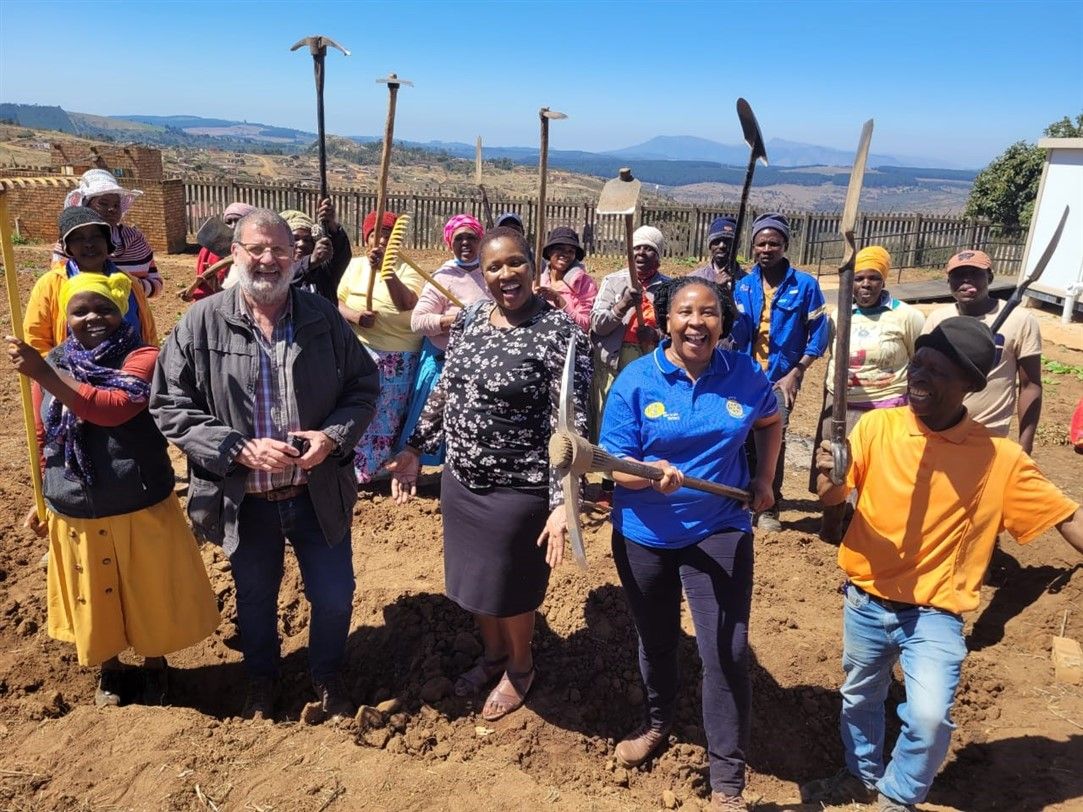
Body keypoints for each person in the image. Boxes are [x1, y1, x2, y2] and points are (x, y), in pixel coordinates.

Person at [801, 317, 1083, 812]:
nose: (919, 377)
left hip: (935, 613)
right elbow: (832, 498)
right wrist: (831, 475)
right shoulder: (878, 426)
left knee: (928, 717)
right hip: (865, 599)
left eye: (936, 370)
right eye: (918, 363)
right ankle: (859, 776)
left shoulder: (999, 458)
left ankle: (899, 796)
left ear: (971, 385)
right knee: (860, 697)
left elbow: (1065, 517)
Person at [150, 209, 380, 721]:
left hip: (315, 493)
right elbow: (168, 403)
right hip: (244, 499)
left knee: (336, 595)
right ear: (236, 254)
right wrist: (235, 447)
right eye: (257, 249)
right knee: (254, 600)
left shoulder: (323, 318)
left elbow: (364, 388)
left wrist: (332, 437)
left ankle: (326, 674)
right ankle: (260, 681)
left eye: (280, 249)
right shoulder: (201, 321)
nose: (269, 259)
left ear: (296, 257)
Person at [386, 226, 592, 722]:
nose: (505, 275)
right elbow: (447, 390)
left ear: (532, 266)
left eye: (515, 263)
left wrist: (565, 499)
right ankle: (494, 654)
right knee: (476, 583)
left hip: (517, 488)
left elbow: (572, 425)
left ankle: (520, 666)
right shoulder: (474, 317)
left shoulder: (561, 334)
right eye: (493, 267)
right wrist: (416, 446)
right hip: (463, 481)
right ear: (482, 273)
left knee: (512, 588)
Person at [598, 275, 783, 811]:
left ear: (723, 323)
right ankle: (658, 723)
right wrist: (647, 470)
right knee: (656, 638)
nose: (696, 323)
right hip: (644, 535)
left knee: (724, 649)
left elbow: (771, 420)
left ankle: (727, 782)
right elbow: (613, 466)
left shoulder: (744, 373)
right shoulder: (637, 380)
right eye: (685, 312)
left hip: (718, 526)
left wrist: (765, 479)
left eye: (708, 313)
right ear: (665, 319)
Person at [7, 271, 219, 707]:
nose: (92, 317)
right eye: (79, 310)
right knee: (96, 593)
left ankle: (155, 664)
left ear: (121, 310)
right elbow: (42, 435)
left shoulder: (142, 358)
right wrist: (40, 494)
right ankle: (111, 667)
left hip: (135, 498)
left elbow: (110, 409)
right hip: (76, 503)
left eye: (103, 307)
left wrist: (42, 372)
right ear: (66, 317)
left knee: (147, 589)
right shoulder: (52, 363)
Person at [812, 246, 925, 541]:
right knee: (835, 467)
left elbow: (918, 362)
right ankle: (831, 528)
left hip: (887, 409)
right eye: (859, 278)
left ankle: (868, 533)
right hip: (842, 408)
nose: (865, 285)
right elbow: (832, 356)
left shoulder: (906, 317)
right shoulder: (839, 315)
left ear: (883, 279)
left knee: (877, 474)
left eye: (873, 278)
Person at [730, 213, 829, 531]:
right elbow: (739, 335)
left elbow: (819, 332)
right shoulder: (743, 286)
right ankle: (746, 501)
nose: (767, 249)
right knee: (743, 438)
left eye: (774, 243)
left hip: (780, 379)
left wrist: (797, 372)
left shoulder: (805, 286)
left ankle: (770, 507)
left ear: (785, 245)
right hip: (746, 377)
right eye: (761, 243)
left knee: (774, 440)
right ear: (753, 247)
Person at [922, 249, 1042, 454]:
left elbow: (1030, 385)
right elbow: (924, 374)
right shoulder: (938, 319)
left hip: (989, 435)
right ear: (948, 282)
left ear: (990, 277)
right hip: (939, 430)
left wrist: (1025, 444)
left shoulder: (1020, 320)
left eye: (975, 273)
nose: (966, 280)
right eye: (958, 275)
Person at [337, 211, 426, 483]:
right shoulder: (354, 266)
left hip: (398, 354)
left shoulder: (407, 268)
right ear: (367, 238)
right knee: (361, 409)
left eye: (388, 234)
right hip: (360, 349)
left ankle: (382, 472)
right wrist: (354, 316)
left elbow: (407, 303)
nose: (382, 240)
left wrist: (386, 272)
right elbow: (337, 301)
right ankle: (357, 471)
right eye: (376, 234)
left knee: (388, 414)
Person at [401, 214, 490, 464]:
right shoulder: (442, 277)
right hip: (444, 364)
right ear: (449, 242)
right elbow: (417, 322)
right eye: (459, 238)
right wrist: (454, 321)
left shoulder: (490, 274)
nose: (465, 243)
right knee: (436, 423)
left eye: (470, 238)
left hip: (483, 365)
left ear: (480, 241)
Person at [26, 208, 157, 355]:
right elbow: (36, 340)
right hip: (69, 375)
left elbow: (148, 333)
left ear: (107, 242)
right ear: (67, 246)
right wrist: (54, 375)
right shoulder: (51, 284)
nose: (89, 244)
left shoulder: (128, 282)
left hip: (129, 372)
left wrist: (149, 368)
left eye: (96, 236)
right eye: (78, 238)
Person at [590, 225, 670, 433]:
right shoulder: (613, 281)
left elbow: (674, 330)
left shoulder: (668, 288)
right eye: (637, 247)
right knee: (608, 413)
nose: (641, 253)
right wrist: (622, 306)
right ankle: (604, 461)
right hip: (613, 363)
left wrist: (655, 336)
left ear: (658, 255)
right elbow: (597, 325)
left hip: (648, 361)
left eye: (648, 248)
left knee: (643, 413)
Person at [56, 169, 163, 298]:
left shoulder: (135, 239)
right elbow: (59, 282)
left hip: (130, 316)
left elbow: (156, 284)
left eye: (116, 205)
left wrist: (130, 286)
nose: (112, 209)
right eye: (103, 203)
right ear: (85, 205)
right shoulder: (70, 240)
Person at [285, 198, 353, 303]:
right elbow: (287, 279)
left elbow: (341, 256)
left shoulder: (324, 272)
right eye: (295, 239)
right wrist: (310, 262)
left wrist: (332, 227)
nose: (302, 244)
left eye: (307, 240)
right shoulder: (276, 272)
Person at [538, 226, 598, 332]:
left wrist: (560, 301)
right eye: (560, 248)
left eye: (571, 251)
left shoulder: (585, 283)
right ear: (549, 252)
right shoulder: (537, 281)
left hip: (568, 342)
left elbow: (584, 325)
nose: (565, 254)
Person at [192, 202, 255, 301]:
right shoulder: (209, 252)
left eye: (238, 221)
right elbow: (202, 290)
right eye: (228, 222)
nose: (233, 226)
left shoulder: (259, 254)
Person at [691, 216, 744, 289]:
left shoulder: (748, 283)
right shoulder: (695, 280)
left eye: (728, 241)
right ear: (710, 245)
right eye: (717, 241)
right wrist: (715, 287)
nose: (722, 246)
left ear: (738, 245)